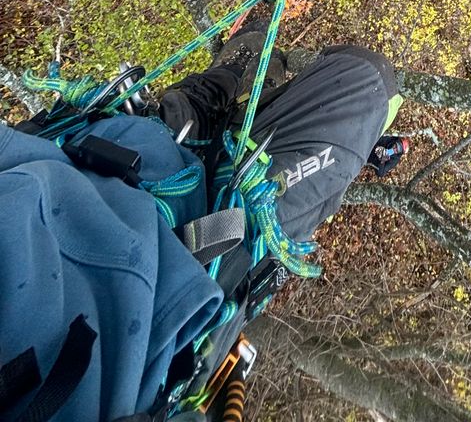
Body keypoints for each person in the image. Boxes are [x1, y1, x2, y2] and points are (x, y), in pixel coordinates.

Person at [0, 32, 405, 421]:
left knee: (184, 113)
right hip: (209, 243)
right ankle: (247, 104)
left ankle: (226, 83)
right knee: (371, 81)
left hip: (101, 149)